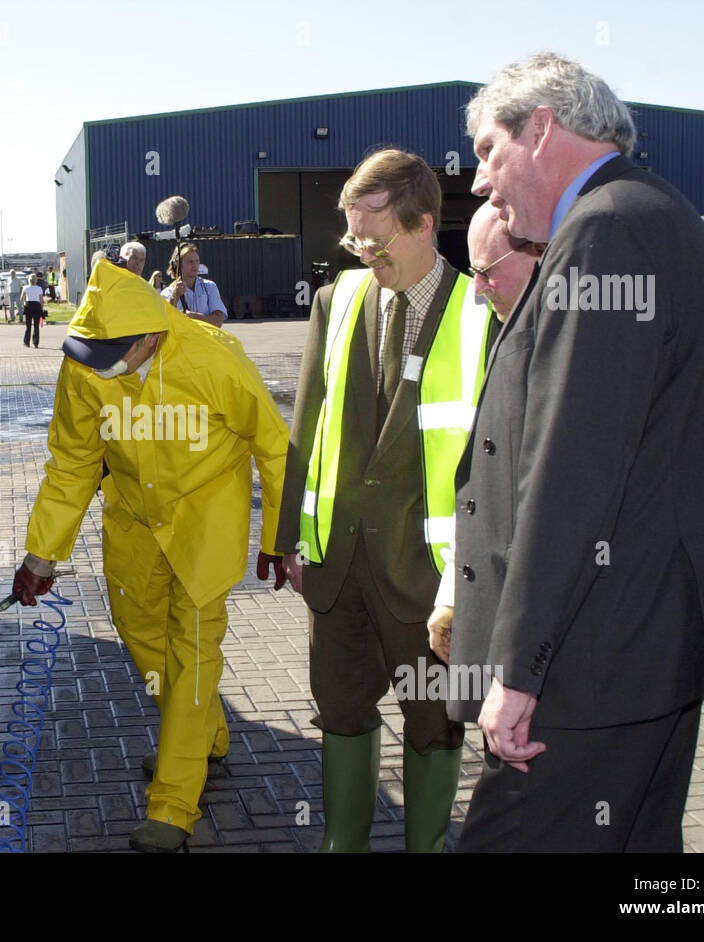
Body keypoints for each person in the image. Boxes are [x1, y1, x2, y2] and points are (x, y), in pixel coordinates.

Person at [450, 52, 704, 852]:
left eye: (486, 153)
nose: (478, 183)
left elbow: (573, 472)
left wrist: (520, 669)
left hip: (592, 662)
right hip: (642, 647)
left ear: (541, 129)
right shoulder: (654, 213)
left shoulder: (604, 231)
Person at [13, 259, 289, 852]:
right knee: (139, 631)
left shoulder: (216, 358)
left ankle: (173, 803)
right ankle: (205, 732)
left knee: (192, 651)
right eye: (90, 353)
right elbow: (72, 462)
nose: (97, 368)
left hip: (205, 521)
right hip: (134, 520)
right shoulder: (88, 363)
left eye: (112, 356)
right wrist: (41, 556)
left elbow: (274, 445)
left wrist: (280, 539)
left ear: (153, 336)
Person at [274, 148, 497, 853]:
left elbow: (496, 464)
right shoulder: (335, 302)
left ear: (424, 223)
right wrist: (288, 538)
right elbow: (306, 426)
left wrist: (476, 581)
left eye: (375, 237)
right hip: (336, 566)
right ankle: (344, 844)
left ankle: (425, 846)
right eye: (352, 238)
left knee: (435, 721)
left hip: (430, 579)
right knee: (339, 710)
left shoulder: (481, 313)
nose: (362, 252)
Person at [427, 202, 542, 663]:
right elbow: (482, 486)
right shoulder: (507, 342)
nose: (477, 288)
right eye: (472, 271)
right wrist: (452, 596)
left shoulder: (582, 354)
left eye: (487, 271)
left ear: (540, 254)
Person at [162, 243, 228, 328]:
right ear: (178, 265)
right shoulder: (167, 293)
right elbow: (165, 322)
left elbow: (218, 321)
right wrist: (175, 296)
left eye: (197, 261)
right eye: (190, 262)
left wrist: (194, 316)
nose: (195, 265)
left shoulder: (210, 287)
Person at [21, 273, 47, 348]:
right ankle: (36, 343)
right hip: (37, 306)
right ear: (36, 281)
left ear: (29, 280)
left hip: (28, 305)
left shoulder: (25, 287)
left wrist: (23, 306)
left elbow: (21, 298)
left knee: (28, 325)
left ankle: (27, 342)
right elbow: (41, 300)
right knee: (36, 326)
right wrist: (42, 308)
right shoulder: (39, 288)